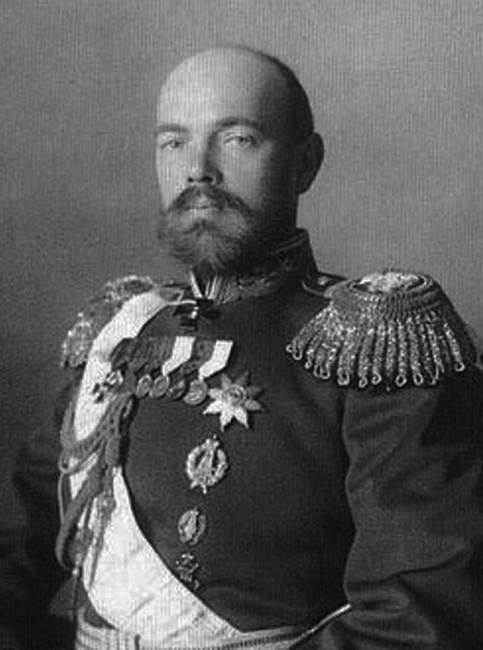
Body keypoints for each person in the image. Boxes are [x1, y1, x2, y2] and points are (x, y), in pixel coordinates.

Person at [1, 46, 483, 650]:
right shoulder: (121, 331)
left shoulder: (375, 343)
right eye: (174, 142)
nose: (197, 169)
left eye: (236, 139)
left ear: (304, 164)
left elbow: (421, 616)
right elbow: (18, 552)